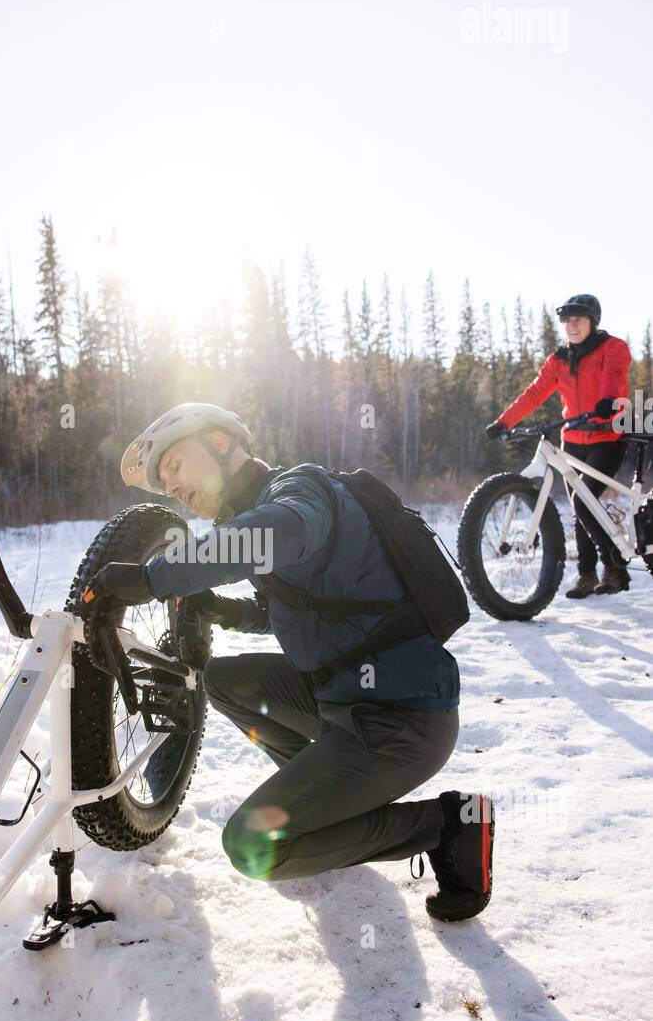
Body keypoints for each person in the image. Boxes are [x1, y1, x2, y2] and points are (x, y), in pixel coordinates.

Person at [84, 402, 494, 922]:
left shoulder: (300, 491)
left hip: (401, 722)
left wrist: (151, 578)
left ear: (221, 444)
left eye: (175, 468)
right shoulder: (262, 511)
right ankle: (326, 802)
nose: (174, 490)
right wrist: (225, 610)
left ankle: (448, 825)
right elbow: (300, 608)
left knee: (254, 846)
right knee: (226, 679)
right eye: (165, 485)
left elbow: (278, 532)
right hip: (342, 698)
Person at [485, 293, 631, 597]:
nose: (572, 325)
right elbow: (535, 393)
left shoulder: (612, 347)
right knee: (582, 510)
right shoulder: (559, 360)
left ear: (593, 321)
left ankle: (615, 567)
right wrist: (504, 421)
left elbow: (614, 377)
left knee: (582, 502)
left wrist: (608, 401)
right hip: (573, 439)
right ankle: (587, 575)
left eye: (578, 319)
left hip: (607, 436)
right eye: (566, 320)